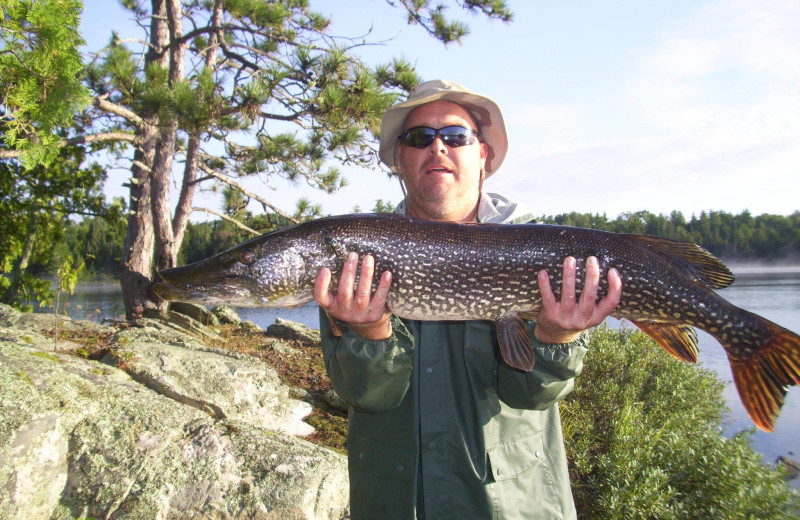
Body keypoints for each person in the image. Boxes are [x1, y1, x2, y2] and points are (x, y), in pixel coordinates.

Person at [313, 79, 622, 519]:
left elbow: (533, 395)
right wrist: (370, 331)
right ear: (400, 159)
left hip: (512, 505)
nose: (437, 148)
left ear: (483, 156)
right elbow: (366, 395)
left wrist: (554, 339)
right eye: (419, 138)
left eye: (456, 136)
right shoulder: (358, 259)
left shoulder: (549, 254)